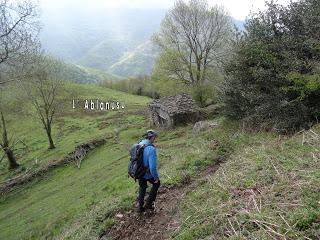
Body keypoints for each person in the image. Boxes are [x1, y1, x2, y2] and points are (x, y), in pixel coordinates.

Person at [137, 129, 160, 213]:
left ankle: (140, 207)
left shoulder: (139, 144)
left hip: (138, 172)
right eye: (154, 137)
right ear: (152, 137)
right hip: (146, 173)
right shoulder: (151, 149)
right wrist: (156, 177)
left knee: (142, 186)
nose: (155, 139)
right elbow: (152, 167)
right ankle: (149, 203)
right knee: (157, 183)